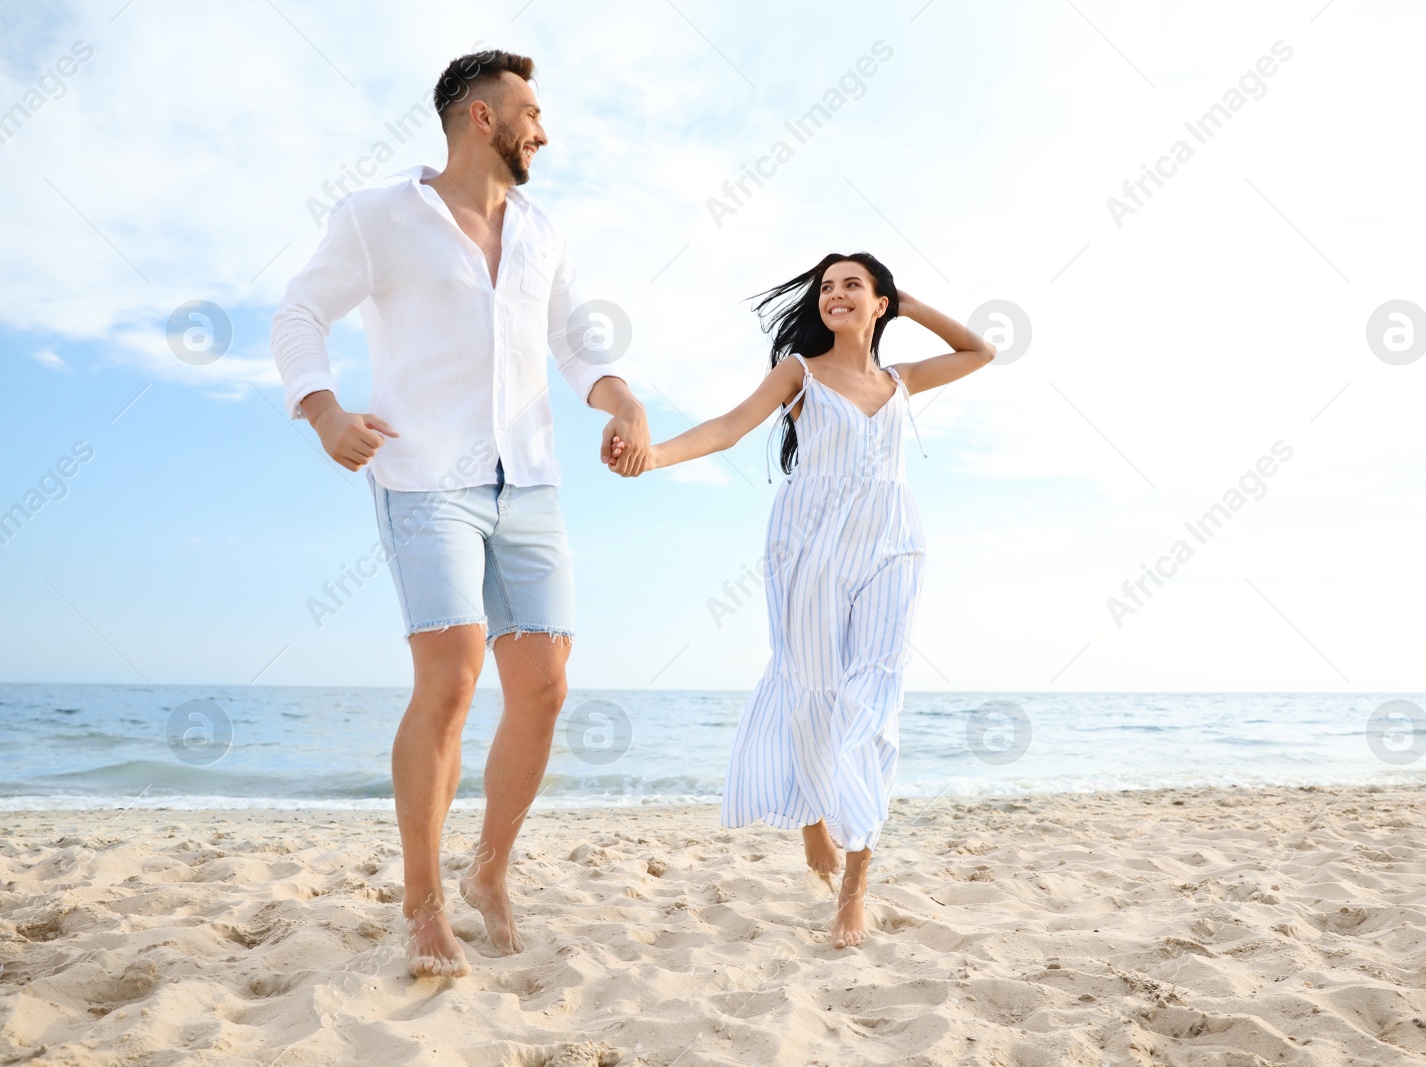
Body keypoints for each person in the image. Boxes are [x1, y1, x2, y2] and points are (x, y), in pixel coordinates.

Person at [269, 49, 651, 978]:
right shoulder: (376, 217)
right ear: (481, 117)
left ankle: (488, 871)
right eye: (531, 113)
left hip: (530, 479)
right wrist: (323, 411)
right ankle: (423, 900)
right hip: (422, 475)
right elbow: (297, 315)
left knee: (547, 684)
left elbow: (570, 343)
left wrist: (623, 400)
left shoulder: (542, 230)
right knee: (451, 676)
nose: (543, 131)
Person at [606, 253, 994, 947]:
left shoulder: (899, 380)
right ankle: (815, 811)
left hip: (893, 545)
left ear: (879, 302)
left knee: (874, 704)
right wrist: (654, 456)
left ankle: (855, 888)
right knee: (811, 690)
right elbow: (728, 427)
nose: (835, 294)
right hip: (809, 547)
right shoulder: (800, 373)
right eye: (825, 287)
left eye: (852, 285)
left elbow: (979, 349)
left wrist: (907, 302)